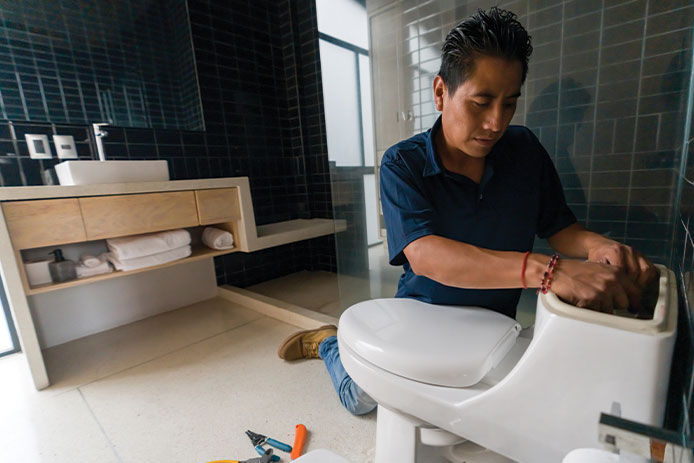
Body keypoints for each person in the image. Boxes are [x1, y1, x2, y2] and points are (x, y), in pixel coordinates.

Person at [277, 7, 658, 416]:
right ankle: (331, 343)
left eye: (509, 104)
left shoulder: (524, 149)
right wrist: (550, 271)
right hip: (422, 316)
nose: (496, 122)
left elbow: (560, 227)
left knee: (478, 405)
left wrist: (599, 245)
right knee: (362, 400)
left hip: (494, 325)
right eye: (481, 102)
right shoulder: (402, 164)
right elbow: (425, 256)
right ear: (441, 93)